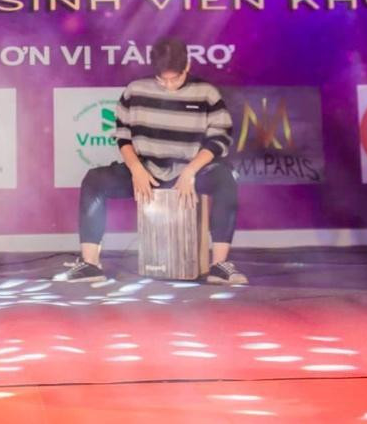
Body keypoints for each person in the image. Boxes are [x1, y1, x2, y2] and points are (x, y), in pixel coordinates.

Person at [57, 36, 246, 286]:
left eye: (175, 79)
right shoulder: (135, 90)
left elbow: (219, 139)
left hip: (189, 174)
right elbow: (123, 135)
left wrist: (190, 172)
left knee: (225, 178)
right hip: (146, 173)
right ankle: (90, 264)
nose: (168, 86)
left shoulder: (207, 93)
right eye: (162, 80)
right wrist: (136, 169)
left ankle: (219, 266)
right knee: (94, 180)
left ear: (187, 66)